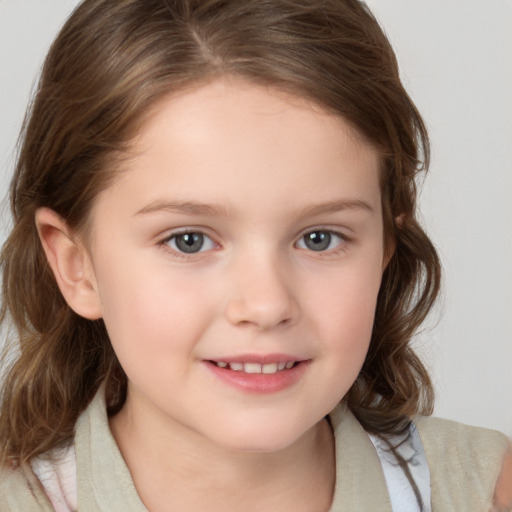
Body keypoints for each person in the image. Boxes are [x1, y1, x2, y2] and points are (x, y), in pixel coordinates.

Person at [0, 0, 510, 510]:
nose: (266, 305)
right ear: (76, 266)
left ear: (384, 250)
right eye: (189, 240)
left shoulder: (483, 490)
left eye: (319, 238)